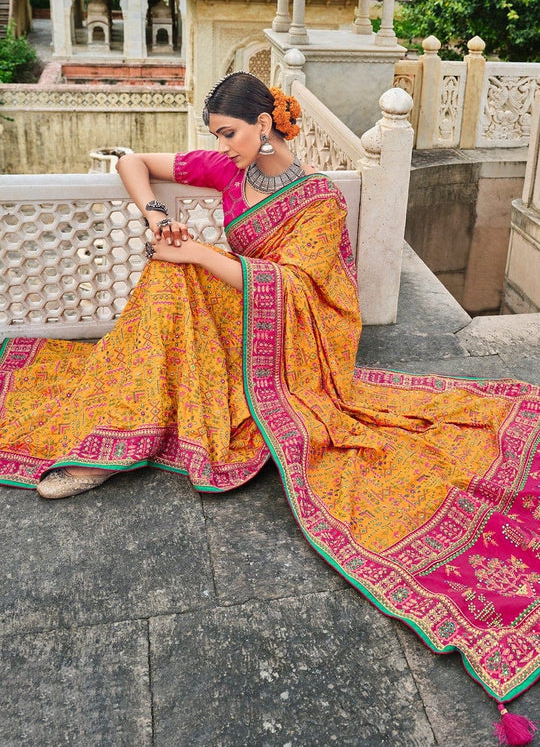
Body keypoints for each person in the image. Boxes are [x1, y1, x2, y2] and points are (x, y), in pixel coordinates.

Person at [0, 72, 538, 741]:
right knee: (170, 273)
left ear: (267, 125)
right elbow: (134, 164)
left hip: (293, 340)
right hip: (240, 308)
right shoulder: (230, 172)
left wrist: (198, 252)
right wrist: (156, 215)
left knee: (176, 271)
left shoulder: (317, 202)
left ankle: (120, 439)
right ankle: (117, 432)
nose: (220, 147)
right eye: (216, 137)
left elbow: (302, 291)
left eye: (229, 133)